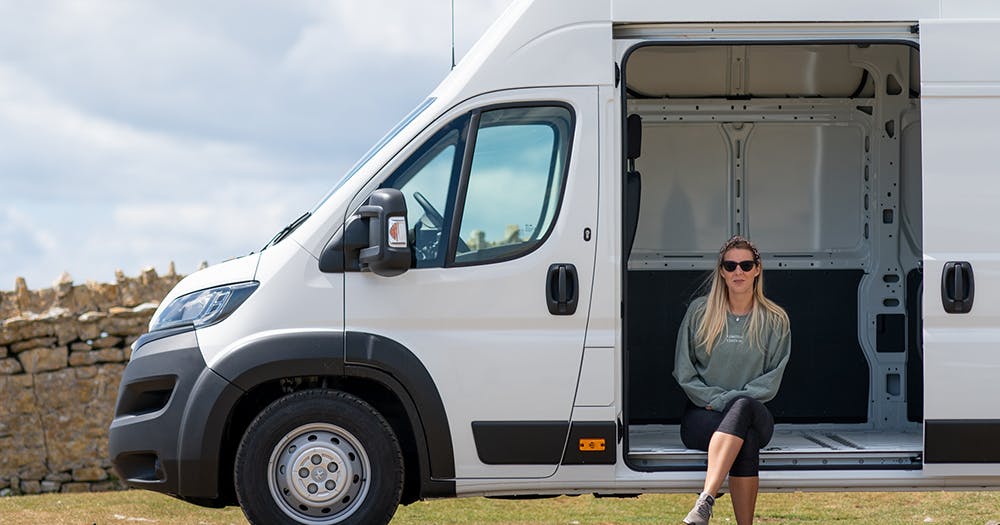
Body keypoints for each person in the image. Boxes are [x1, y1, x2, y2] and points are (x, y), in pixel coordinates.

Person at [673, 236, 791, 525]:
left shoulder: (775, 319)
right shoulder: (700, 312)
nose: (738, 271)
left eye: (745, 265)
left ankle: (705, 501)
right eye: (731, 265)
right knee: (745, 438)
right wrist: (719, 400)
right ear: (722, 271)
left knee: (744, 406)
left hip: (755, 411)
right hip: (704, 415)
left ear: (757, 270)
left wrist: (732, 401)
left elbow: (772, 379)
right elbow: (684, 372)